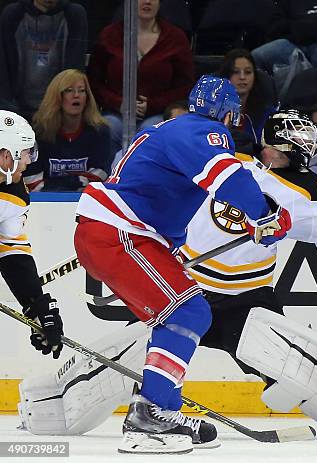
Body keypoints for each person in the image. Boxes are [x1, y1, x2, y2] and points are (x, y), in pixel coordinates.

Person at [18, 110, 317, 441]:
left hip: (245, 308)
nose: (284, 158)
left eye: (296, 155)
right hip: (185, 288)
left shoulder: (297, 194)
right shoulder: (216, 165)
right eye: (285, 149)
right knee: (130, 356)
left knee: (299, 359)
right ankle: (50, 405)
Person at [72, 76, 292, 454]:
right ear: (228, 115)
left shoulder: (171, 129)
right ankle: (152, 413)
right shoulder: (203, 131)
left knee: (178, 314)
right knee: (188, 311)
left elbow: (162, 194)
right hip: (119, 233)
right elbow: (229, 178)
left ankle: (157, 408)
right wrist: (264, 215)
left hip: (119, 233)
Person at [87, 0, 195, 154]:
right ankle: (109, 176)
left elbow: (185, 86)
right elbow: (94, 81)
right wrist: (119, 103)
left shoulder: (175, 38)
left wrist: (152, 104)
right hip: (116, 113)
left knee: (150, 132)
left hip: (158, 113)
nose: (147, 1)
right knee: (108, 128)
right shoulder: (110, 35)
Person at [0, 110, 63, 358]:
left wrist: (36, 304)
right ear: (7, 156)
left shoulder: (14, 195)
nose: (29, 161)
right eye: (26, 153)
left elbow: (11, 251)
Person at [23, 69, 110, 192]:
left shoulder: (100, 131)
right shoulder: (38, 132)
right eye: (69, 90)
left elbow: (100, 175)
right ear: (57, 97)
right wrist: (76, 181)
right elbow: (31, 181)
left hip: (84, 201)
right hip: (45, 202)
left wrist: (55, 183)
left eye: (82, 90)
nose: (76, 95)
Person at [0, 0, 88, 119]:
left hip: (59, 111)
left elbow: (74, 69)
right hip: (17, 108)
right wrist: (9, 111)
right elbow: (4, 70)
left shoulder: (74, 14)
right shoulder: (13, 14)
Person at [217, 49, 277, 149]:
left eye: (248, 72)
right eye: (236, 72)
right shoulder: (212, 110)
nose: (242, 77)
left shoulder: (267, 114)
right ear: (226, 75)